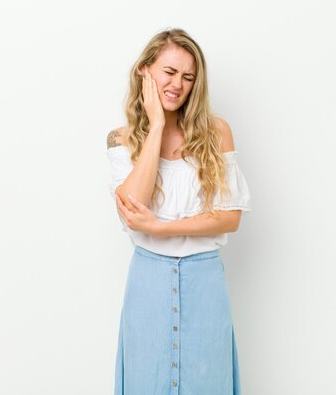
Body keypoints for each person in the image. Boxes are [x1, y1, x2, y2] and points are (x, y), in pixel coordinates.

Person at [106, 28, 252, 395]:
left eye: (188, 77)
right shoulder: (122, 139)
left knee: (207, 381)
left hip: (205, 279)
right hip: (148, 281)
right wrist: (156, 125)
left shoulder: (216, 132)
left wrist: (160, 228)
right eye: (169, 72)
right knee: (147, 381)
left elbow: (229, 217)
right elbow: (132, 209)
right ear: (145, 71)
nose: (178, 84)